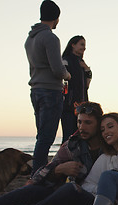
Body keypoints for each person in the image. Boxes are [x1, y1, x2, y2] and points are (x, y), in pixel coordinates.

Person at [0, 102, 104, 205]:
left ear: (99, 124)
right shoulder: (73, 145)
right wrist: (58, 170)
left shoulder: (109, 144)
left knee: (70, 189)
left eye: (88, 123)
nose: (82, 127)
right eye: (79, 122)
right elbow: (43, 173)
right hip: (62, 197)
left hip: (91, 199)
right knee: (28, 192)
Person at [26, 0, 71, 175]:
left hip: (35, 89)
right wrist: (68, 74)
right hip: (50, 91)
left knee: (42, 135)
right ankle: (37, 174)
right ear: (56, 18)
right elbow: (58, 70)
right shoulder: (50, 38)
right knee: (47, 137)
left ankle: (38, 171)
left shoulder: (30, 39)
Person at [61, 35, 93, 143]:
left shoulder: (81, 63)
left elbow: (87, 85)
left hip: (82, 105)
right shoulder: (66, 61)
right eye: (81, 44)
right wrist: (65, 98)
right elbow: (63, 81)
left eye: (85, 45)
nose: (84, 48)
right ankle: (65, 157)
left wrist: (87, 70)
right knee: (69, 135)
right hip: (69, 105)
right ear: (73, 45)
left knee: (82, 135)